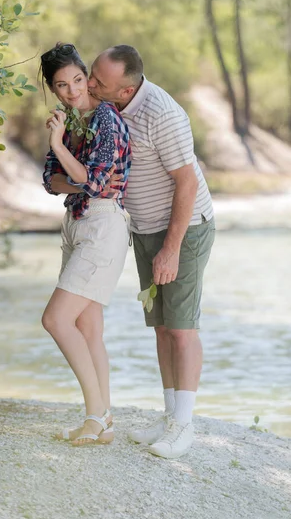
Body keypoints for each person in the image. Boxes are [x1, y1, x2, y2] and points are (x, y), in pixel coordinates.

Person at [87, 45, 215, 458]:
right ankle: (169, 414)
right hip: (145, 230)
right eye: (91, 74)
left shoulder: (164, 115)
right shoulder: (112, 106)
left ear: (124, 91)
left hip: (184, 229)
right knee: (160, 327)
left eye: (98, 82)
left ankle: (184, 425)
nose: (90, 85)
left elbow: (188, 184)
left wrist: (172, 249)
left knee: (181, 328)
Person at [40, 43, 131, 446]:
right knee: (87, 327)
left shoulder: (106, 120)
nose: (73, 90)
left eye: (78, 80)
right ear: (54, 89)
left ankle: (95, 415)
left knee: (56, 320)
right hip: (75, 224)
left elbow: (94, 184)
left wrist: (61, 148)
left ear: (87, 78)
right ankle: (103, 421)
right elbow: (49, 181)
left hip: (103, 225)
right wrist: (73, 172)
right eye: (62, 85)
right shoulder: (71, 120)